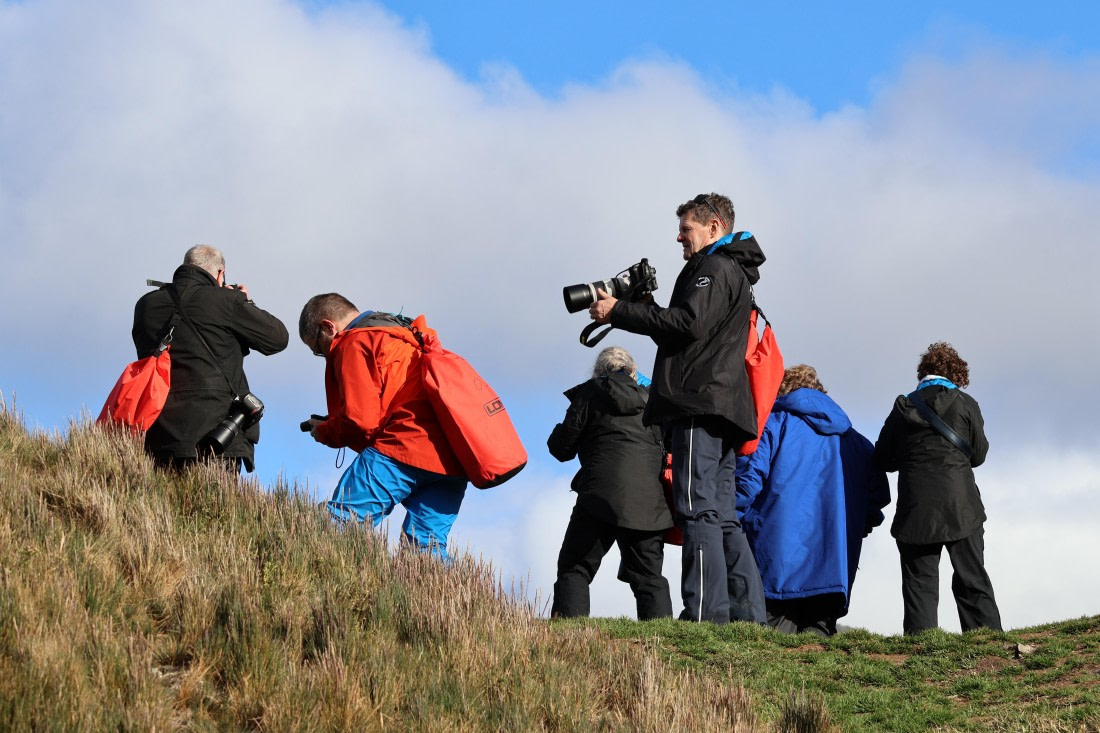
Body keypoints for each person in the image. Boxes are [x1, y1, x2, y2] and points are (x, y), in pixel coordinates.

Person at [589, 192, 767, 624]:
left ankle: (706, 614)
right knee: (723, 514)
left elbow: (688, 325)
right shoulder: (731, 270)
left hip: (697, 403)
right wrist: (643, 308)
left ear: (713, 227)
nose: (679, 237)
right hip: (721, 404)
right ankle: (748, 617)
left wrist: (619, 311)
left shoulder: (714, 267)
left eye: (686, 228)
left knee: (697, 508)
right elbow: (685, 335)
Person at [299, 293, 467, 561]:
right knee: (427, 551)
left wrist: (326, 431)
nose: (324, 355)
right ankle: (447, 603)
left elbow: (360, 420)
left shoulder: (355, 341)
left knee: (342, 522)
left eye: (319, 349)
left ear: (328, 327)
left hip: (404, 445)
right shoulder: (405, 335)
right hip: (453, 458)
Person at [736, 365, 890, 636]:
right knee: (817, 653)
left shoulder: (773, 425)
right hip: (833, 567)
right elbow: (877, 500)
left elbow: (747, 482)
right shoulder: (856, 441)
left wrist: (729, 520)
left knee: (772, 653)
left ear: (781, 390)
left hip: (775, 564)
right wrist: (854, 529)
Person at [873, 342, 1002, 635]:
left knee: (920, 582)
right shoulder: (966, 403)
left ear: (922, 373)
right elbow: (978, 456)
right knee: (972, 576)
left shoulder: (903, 407)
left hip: (916, 506)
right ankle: (987, 643)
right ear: (957, 374)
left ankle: (922, 649)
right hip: (961, 505)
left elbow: (882, 458)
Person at [132, 245, 288, 473]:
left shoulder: (146, 305)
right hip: (215, 435)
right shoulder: (227, 301)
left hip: (158, 433)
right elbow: (277, 339)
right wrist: (245, 302)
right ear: (220, 273)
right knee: (212, 505)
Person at [547, 346, 674, 620]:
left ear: (598, 371)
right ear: (632, 371)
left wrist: (565, 424)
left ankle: (571, 634)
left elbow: (561, 449)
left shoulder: (591, 393)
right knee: (649, 577)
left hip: (599, 498)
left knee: (575, 567)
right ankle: (663, 642)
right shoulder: (654, 401)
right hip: (648, 503)